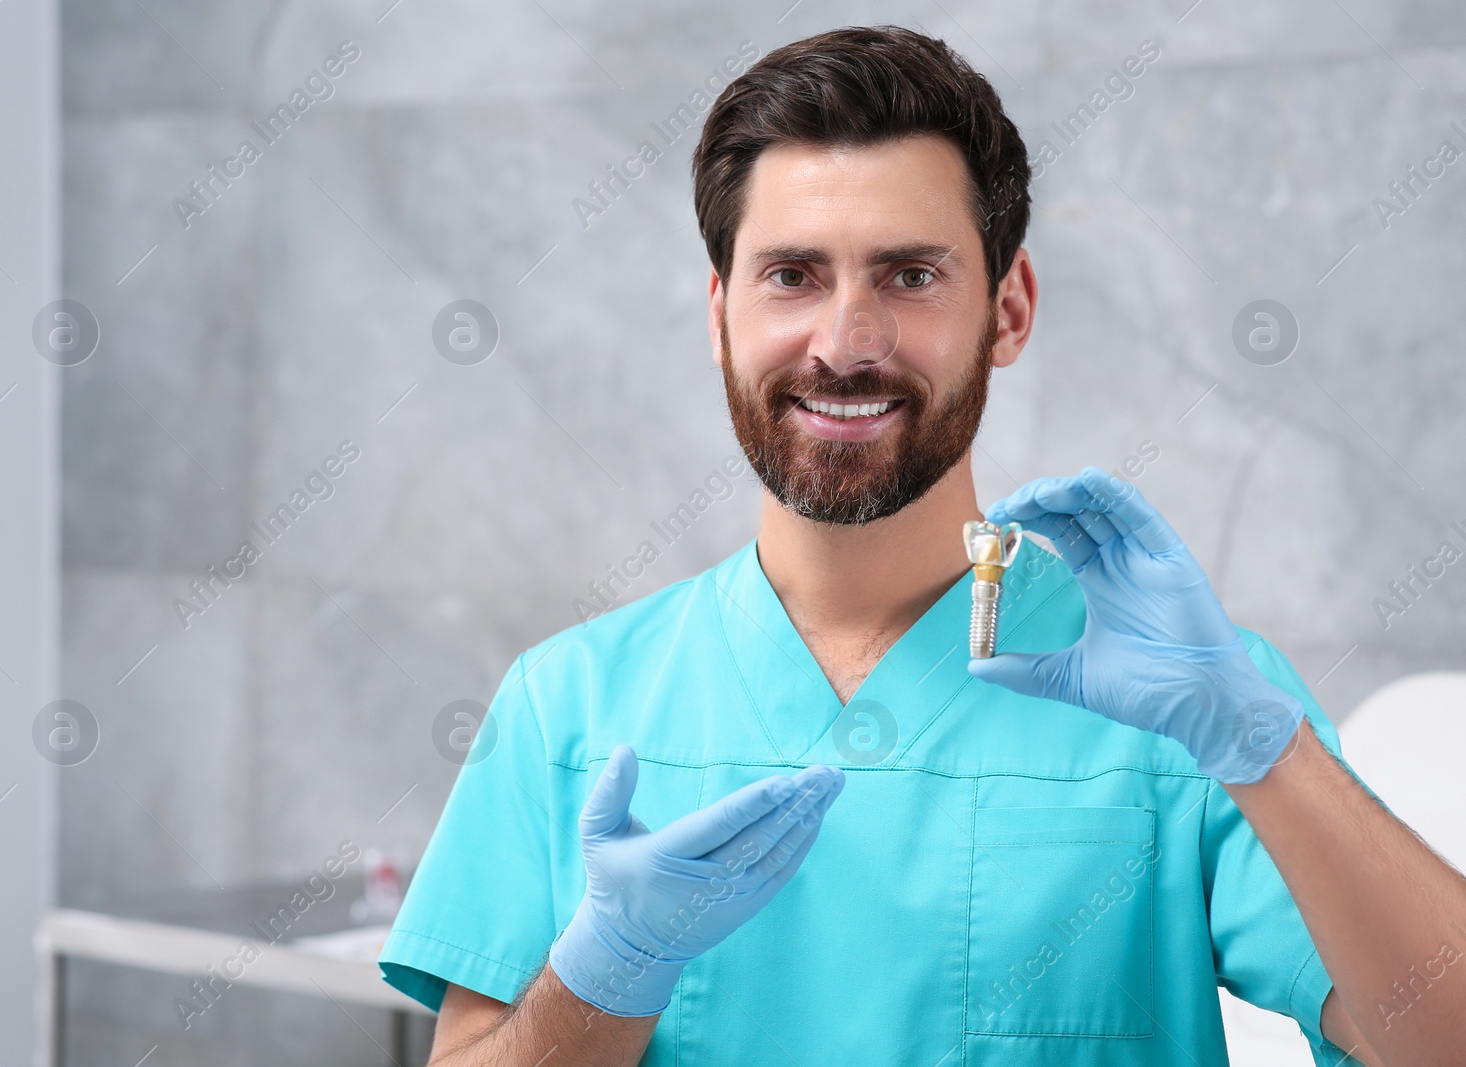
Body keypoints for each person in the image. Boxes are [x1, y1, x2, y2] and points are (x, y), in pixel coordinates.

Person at [377, 25, 1466, 1067]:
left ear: (1008, 307)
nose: (846, 342)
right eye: (792, 275)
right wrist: (607, 973)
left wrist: (1266, 751)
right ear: (719, 314)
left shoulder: (1185, 704)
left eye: (909, 275)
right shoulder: (562, 709)